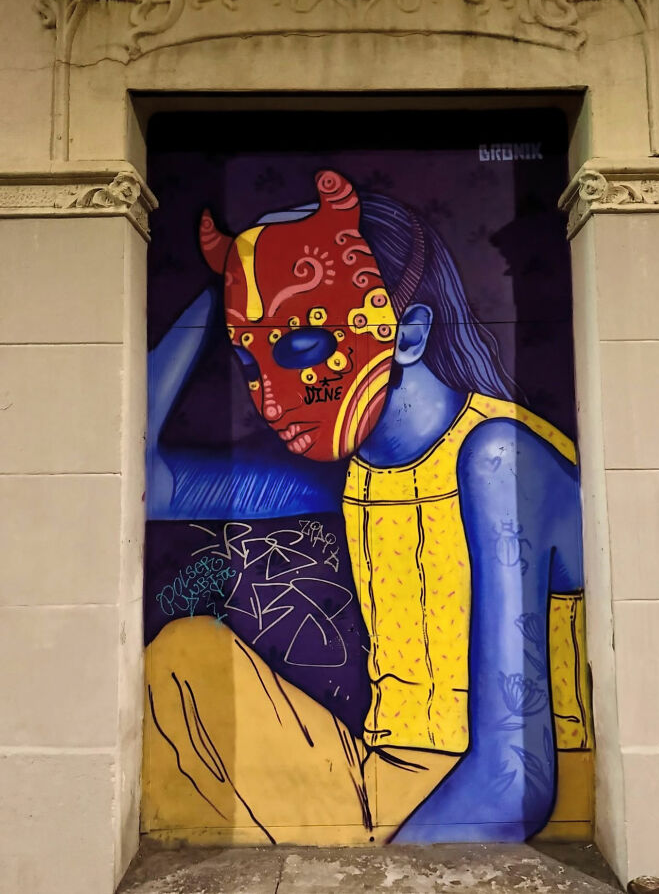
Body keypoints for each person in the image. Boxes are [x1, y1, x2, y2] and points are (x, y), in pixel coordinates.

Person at [144, 170, 587, 845]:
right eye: (250, 362)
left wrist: (380, 879)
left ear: (408, 334)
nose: (270, 399)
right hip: (380, 779)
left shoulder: (500, 457)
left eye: (301, 345)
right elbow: (152, 485)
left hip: (488, 796)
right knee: (184, 657)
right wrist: (221, 295)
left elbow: (514, 779)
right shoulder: (354, 471)